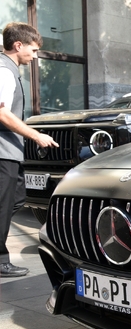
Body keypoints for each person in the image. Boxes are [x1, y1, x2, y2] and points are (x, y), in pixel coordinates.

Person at [0, 22, 58, 277]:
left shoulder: (8, 69)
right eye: (33, 51)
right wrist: (36, 135)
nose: (34, 56)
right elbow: (1, 113)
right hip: (2, 153)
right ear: (18, 45)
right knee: (4, 206)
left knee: (17, 200)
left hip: (9, 152)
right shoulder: (4, 71)